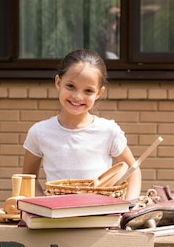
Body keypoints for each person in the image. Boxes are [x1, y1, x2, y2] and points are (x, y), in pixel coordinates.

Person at [22, 48, 141, 200]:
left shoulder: (109, 131)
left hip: (99, 217)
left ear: (99, 93)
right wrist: (43, 205)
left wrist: (129, 207)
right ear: (58, 82)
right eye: (70, 86)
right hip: (55, 218)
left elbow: (133, 171)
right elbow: (28, 178)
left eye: (88, 91)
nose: (78, 97)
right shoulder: (39, 132)